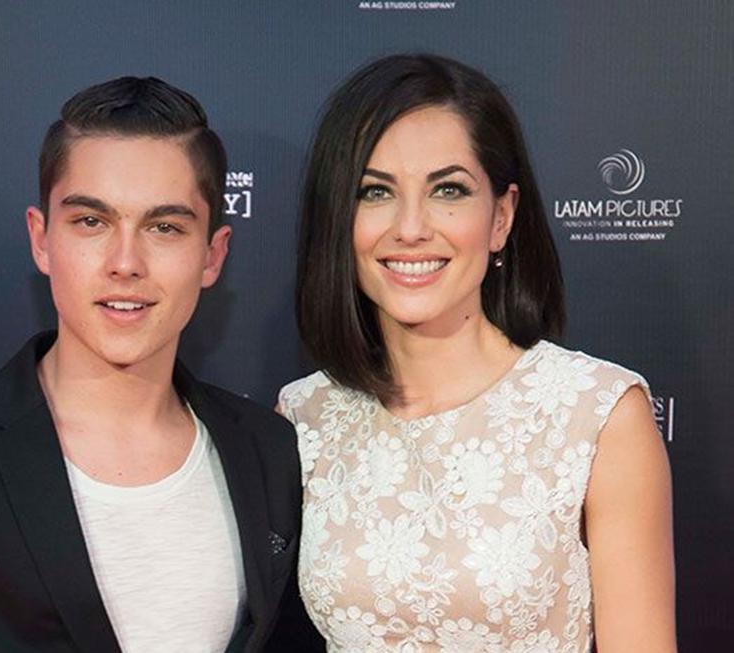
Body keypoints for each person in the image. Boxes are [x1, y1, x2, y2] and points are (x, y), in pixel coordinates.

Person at [0, 76, 321, 652]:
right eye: (91, 222)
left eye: (164, 227)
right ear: (41, 239)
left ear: (212, 255)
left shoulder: (268, 451)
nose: (125, 262)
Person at [278, 55, 675, 652]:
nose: (411, 228)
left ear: (501, 217)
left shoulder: (594, 414)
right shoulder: (305, 415)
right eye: (375, 192)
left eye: (448, 190)